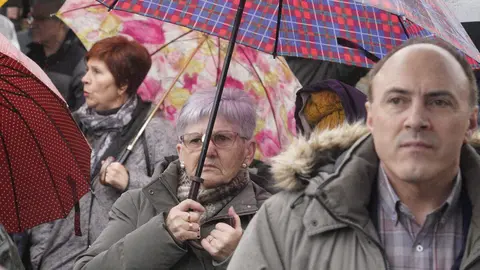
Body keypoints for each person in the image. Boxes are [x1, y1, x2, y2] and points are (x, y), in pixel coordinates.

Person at [228, 37, 480, 270]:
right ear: (370, 117)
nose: (415, 120)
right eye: (396, 100)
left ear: (470, 122)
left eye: (439, 102)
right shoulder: (285, 223)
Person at [73, 88, 272, 270]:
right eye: (195, 140)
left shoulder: (270, 216)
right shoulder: (138, 204)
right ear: (181, 152)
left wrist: (237, 257)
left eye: (222, 138)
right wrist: (163, 235)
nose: (208, 151)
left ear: (248, 152)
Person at [26, 36, 177, 270]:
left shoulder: (155, 133)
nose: (85, 79)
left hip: (116, 261)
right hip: (56, 261)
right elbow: (42, 195)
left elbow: (173, 202)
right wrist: (40, 253)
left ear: (122, 84)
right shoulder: (69, 125)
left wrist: (131, 182)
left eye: (97, 72)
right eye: (87, 70)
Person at [27, 0, 86, 111]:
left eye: (41, 19)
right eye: (33, 18)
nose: (33, 24)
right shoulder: (31, 55)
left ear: (61, 23)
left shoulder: (79, 61)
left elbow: (82, 113)